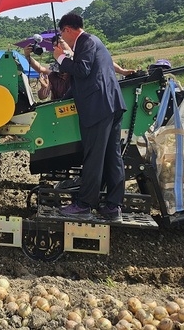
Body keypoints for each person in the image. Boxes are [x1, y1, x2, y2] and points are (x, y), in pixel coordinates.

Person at [52, 13, 127, 221]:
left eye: (62, 33)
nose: (62, 38)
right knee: (113, 156)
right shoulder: (93, 41)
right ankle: (113, 206)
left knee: (94, 157)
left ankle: (84, 205)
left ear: (67, 29)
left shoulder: (85, 41)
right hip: (111, 104)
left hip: (98, 108)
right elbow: (82, 79)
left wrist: (59, 58)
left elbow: (81, 71)